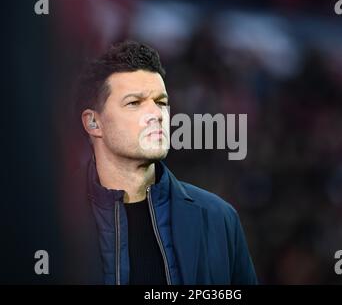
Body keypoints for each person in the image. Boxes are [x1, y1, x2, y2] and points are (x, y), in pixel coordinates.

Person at [61, 40, 258, 285]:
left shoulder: (218, 219)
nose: (156, 114)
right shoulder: (48, 216)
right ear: (93, 123)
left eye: (161, 102)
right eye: (134, 103)